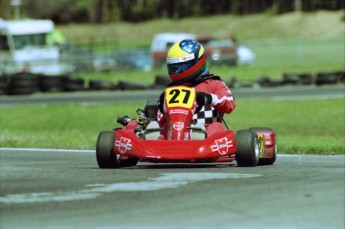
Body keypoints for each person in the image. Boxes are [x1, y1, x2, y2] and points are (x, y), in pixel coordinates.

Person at [157, 39, 236, 136]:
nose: (177, 71)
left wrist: (209, 98)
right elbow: (162, 117)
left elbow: (229, 104)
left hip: (205, 135)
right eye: (174, 67)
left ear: (197, 61)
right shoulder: (171, 90)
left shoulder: (213, 84)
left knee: (215, 127)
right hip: (175, 134)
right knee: (158, 126)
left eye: (182, 66)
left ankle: (198, 137)